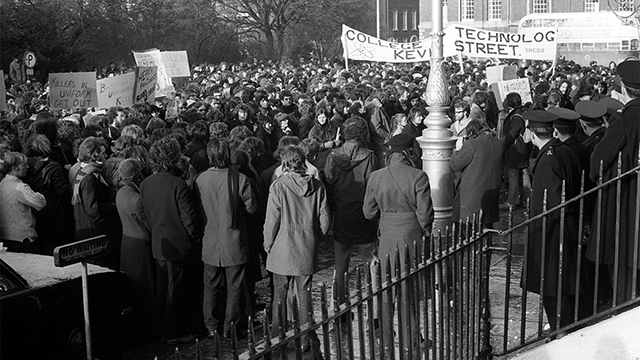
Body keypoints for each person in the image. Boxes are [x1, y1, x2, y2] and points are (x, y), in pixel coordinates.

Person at [363, 132, 434, 352]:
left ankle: (385, 338)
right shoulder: (418, 176)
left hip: (386, 237)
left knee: (386, 290)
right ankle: (412, 339)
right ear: (408, 152)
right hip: (411, 237)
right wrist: (425, 231)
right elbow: (425, 214)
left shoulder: (376, 176)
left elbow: (368, 212)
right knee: (408, 291)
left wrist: (386, 217)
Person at [263, 145, 330, 354]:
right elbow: (325, 219)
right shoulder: (317, 186)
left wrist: (268, 244)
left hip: (282, 247)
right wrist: (315, 238)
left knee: (279, 297)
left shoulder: (278, 186)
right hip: (306, 246)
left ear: (285, 163)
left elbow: (271, 220)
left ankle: (277, 337)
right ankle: (305, 339)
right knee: (304, 297)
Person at [520, 110, 582, 331]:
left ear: (531, 132)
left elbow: (552, 205)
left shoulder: (548, 161)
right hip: (566, 228)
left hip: (553, 234)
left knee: (553, 288)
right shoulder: (564, 150)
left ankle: (560, 331)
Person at [588, 59, 640, 305]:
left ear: (624, 89)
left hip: (626, 203)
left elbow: (599, 161)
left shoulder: (624, 117)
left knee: (623, 277)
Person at [194, 138, 258, 339]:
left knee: (210, 287)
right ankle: (230, 327)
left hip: (210, 241)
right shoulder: (239, 178)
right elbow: (252, 207)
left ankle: (211, 326)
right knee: (234, 287)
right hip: (234, 241)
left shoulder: (200, 180)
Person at [140, 137, 199, 345]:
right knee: (175, 290)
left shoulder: (146, 183)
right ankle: (174, 333)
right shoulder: (178, 184)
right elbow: (189, 219)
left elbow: (142, 212)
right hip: (178, 244)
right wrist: (191, 238)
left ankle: (162, 330)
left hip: (159, 243)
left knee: (163, 288)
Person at [324, 116, 379, 318]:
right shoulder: (369, 156)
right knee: (371, 264)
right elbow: (372, 185)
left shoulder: (333, 155)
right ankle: (375, 309)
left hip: (342, 214)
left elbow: (329, 182)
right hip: (364, 214)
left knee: (341, 267)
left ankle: (338, 307)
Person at [115, 159, 156, 337]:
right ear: (136, 174)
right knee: (146, 285)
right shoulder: (137, 199)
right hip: (140, 243)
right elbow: (149, 224)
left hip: (127, 241)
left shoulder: (120, 193)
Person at [450, 119, 505, 228]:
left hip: (471, 199)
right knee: (486, 231)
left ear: (471, 133)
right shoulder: (500, 144)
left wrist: (457, 150)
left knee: (466, 234)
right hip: (491, 196)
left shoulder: (472, 144)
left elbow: (455, 165)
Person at [0, 151, 46, 253]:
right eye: (24, 164)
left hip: (6, 237)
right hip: (23, 240)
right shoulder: (20, 188)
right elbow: (41, 202)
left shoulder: (2, 184)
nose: (28, 167)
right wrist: (38, 195)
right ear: (15, 168)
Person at [500, 92, 531, 209]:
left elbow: (512, 134)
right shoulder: (519, 113)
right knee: (523, 174)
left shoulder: (516, 116)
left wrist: (503, 144)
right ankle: (526, 199)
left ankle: (512, 201)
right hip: (521, 149)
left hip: (516, 150)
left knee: (513, 175)